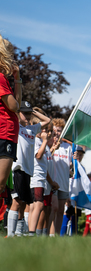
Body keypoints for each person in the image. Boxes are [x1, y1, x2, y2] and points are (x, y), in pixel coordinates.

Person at [8, 102, 50, 237]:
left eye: (28, 113)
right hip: (17, 168)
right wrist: (18, 111)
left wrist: (32, 111)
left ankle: (19, 233)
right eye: (24, 113)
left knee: (22, 202)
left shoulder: (32, 129)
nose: (26, 116)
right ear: (18, 114)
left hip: (28, 171)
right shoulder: (17, 127)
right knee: (16, 201)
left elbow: (47, 120)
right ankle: (11, 233)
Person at [28, 112, 58, 236]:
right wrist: (45, 141)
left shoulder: (41, 142)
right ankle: (31, 232)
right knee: (38, 205)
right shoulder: (37, 141)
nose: (47, 133)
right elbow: (38, 156)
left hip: (41, 178)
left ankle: (32, 233)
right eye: (44, 129)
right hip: (37, 177)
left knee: (38, 207)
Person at [0, 35, 22, 204]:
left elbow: (18, 104)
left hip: (7, 134)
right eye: (10, 54)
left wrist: (17, 79)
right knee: (0, 184)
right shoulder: (0, 79)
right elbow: (14, 106)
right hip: (4, 133)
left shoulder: (4, 79)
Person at [49, 118, 73, 235]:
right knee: (53, 208)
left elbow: (70, 166)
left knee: (60, 210)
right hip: (52, 182)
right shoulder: (49, 144)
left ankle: (57, 235)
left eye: (59, 130)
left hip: (64, 183)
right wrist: (53, 148)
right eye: (55, 130)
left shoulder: (68, 147)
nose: (57, 133)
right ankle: (50, 233)